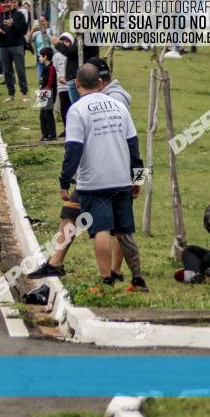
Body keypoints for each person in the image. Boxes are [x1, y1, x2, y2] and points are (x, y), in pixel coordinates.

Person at [58, 64, 147, 290]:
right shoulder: (120, 106)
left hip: (94, 182)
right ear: (100, 83)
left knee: (101, 230)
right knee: (125, 231)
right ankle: (137, 279)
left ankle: (106, 279)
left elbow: (73, 149)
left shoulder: (77, 110)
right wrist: (137, 179)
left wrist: (64, 180)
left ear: (77, 84)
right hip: (121, 180)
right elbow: (133, 147)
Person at [0, 0, 29, 102]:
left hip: (17, 46)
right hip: (4, 47)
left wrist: (12, 24)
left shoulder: (19, 15)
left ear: (12, 3)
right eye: (4, 3)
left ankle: (24, 93)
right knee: (7, 71)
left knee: (20, 70)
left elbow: (23, 30)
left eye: (8, 2)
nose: (6, 4)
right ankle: (11, 94)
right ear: (1, 5)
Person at [37, 47, 57, 141]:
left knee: (48, 114)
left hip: (48, 93)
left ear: (45, 57)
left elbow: (50, 81)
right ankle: (45, 134)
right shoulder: (45, 68)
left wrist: (46, 90)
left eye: (41, 56)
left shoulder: (51, 67)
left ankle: (52, 134)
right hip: (42, 92)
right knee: (42, 114)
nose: (39, 58)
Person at [52, 40, 70, 136]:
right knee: (64, 108)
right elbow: (55, 69)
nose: (64, 43)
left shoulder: (72, 54)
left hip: (72, 84)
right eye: (62, 41)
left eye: (67, 41)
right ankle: (66, 128)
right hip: (61, 86)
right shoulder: (56, 56)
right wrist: (59, 77)